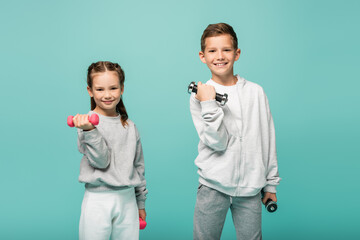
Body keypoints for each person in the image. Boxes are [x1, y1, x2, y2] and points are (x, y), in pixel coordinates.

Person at [190, 23, 281, 240]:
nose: (219, 56)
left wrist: (270, 184)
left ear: (236, 53)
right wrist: (209, 102)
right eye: (212, 51)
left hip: (251, 189)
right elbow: (217, 142)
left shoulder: (256, 92)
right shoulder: (199, 95)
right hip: (213, 187)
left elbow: (267, 139)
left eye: (226, 50)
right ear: (203, 56)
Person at [73, 61, 147, 240]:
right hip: (98, 200)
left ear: (122, 89)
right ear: (90, 91)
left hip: (127, 199)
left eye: (113, 88)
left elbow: (138, 167)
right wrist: (90, 130)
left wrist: (140, 203)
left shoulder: (130, 127)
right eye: (99, 89)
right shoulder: (86, 125)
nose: (107, 95)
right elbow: (101, 161)